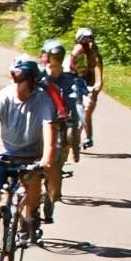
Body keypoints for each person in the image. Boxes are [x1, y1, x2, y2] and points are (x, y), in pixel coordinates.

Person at [0, 58, 60, 251]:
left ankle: (30, 218)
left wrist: (46, 158)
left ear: (31, 80)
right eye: (15, 78)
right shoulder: (5, 96)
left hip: (32, 155)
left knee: (32, 189)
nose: (17, 83)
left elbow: (49, 132)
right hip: (7, 153)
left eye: (21, 79)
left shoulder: (43, 100)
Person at [39, 37, 82, 213]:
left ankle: (51, 196)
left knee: (57, 162)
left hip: (61, 126)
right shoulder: (39, 76)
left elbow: (75, 105)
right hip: (41, 125)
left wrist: (73, 127)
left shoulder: (69, 80)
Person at [70, 25, 104, 148]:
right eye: (84, 41)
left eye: (89, 41)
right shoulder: (77, 52)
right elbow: (72, 69)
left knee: (87, 108)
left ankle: (87, 137)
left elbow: (98, 72)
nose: (87, 44)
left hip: (90, 85)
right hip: (77, 83)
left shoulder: (95, 55)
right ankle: (76, 137)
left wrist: (97, 86)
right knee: (78, 109)